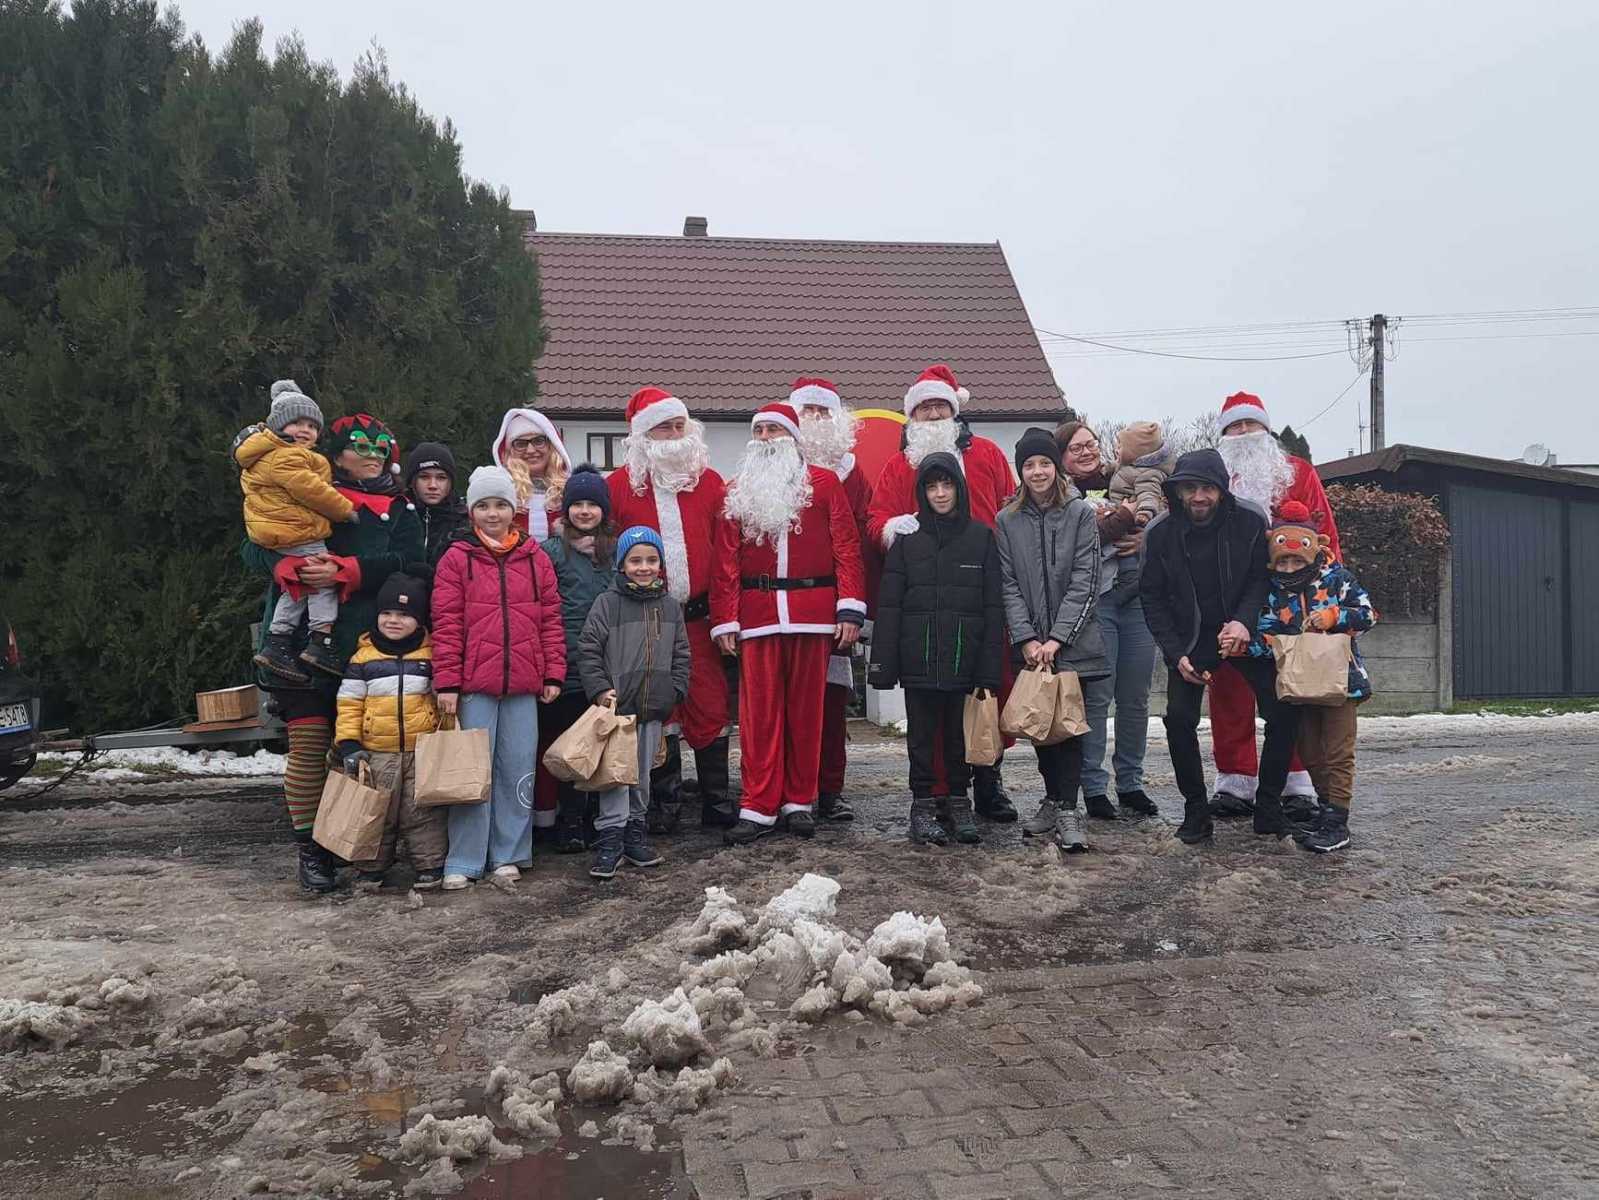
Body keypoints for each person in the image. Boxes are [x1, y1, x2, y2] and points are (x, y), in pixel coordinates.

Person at [240, 410, 422, 894]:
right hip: (300, 650)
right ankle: (311, 849)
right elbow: (254, 544)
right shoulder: (300, 483)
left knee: (360, 753)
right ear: (337, 453)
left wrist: (350, 570)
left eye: (381, 448)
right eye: (361, 446)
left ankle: (355, 841)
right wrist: (289, 566)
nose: (372, 455)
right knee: (308, 750)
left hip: (368, 649)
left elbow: (411, 564)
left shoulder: (401, 508)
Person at [866, 364, 1020, 822]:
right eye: (924, 407)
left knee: (989, 694)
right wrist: (899, 530)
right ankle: (936, 791)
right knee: (933, 705)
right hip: (926, 604)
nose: (932, 414)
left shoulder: (989, 455)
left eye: (940, 406)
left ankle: (989, 781)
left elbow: (1011, 513)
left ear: (954, 411)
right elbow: (876, 522)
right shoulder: (898, 466)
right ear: (912, 416)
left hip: (982, 594)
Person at [711, 403, 867, 845]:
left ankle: (799, 800)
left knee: (806, 711)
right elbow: (725, 562)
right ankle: (758, 804)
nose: (764, 437)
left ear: (793, 438)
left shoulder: (824, 484)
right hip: (757, 616)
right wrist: (725, 620)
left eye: (774, 430)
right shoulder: (737, 492)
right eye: (758, 430)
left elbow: (847, 548)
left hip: (811, 614)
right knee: (758, 716)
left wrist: (849, 608)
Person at [1141, 448, 1301, 844]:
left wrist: (1243, 622)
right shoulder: (1160, 533)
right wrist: (1175, 653)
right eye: (1190, 488)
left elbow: (1259, 579)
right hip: (1191, 639)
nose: (1199, 497)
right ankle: (1196, 810)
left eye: (1207, 488)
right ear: (1177, 492)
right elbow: (1153, 597)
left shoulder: (1250, 521)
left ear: (1222, 489)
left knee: (1283, 711)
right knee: (1178, 719)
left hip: (1245, 634)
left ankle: (1268, 806)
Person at [431, 466, 566, 890]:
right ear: (472, 512)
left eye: (501, 505)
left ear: (514, 509)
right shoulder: (457, 558)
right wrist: (447, 683)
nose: (493, 514)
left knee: (517, 769)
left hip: (524, 683)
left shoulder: (535, 558)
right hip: (474, 686)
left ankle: (509, 853)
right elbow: (447, 623)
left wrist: (552, 673)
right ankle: (466, 858)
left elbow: (551, 620)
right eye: (484, 506)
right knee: (473, 771)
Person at [1209, 391, 1342, 819]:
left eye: (1251, 425)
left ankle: (1295, 779)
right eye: (1235, 426)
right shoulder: (1212, 478)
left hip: (1292, 597)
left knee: (1294, 687)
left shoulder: (1298, 472)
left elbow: (1325, 533)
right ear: (1224, 433)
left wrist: (1326, 591)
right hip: (1230, 597)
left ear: (1266, 430)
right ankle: (1235, 779)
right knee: (1229, 688)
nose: (1244, 434)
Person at [607, 387, 734, 828]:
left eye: (681, 426)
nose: (675, 434)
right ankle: (667, 802)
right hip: (647, 619)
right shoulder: (619, 487)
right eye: (665, 426)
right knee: (659, 705)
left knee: (709, 703)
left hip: (701, 619)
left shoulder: (711, 482)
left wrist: (726, 616)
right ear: (644, 435)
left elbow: (726, 554)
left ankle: (717, 799)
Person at [868, 453, 1002, 846]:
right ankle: (923, 804)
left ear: (959, 488)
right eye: (931, 486)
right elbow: (889, 604)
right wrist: (882, 667)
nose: (940, 493)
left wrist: (989, 668)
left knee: (960, 734)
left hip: (966, 654)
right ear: (921, 491)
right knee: (922, 735)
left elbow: (993, 607)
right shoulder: (906, 540)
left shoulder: (981, 538)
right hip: (919, 655)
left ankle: (960, 803)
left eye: (947, 485)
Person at [995, 429, 1110, 852]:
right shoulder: (1006, 520)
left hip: (1072, 640)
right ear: (1021, 471)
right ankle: (1053, 799)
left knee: (1071, 725)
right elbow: (1007, 583)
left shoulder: (1080, 513)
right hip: (1031, 643)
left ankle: (1068, 809)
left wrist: (1058, 638)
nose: (1038, 471)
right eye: (1029, 465)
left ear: (1056, 467)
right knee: (1040, 724)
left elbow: (1086, 579)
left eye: (1044, 463)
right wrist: (1026, 637)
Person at [1247, 501, 1376, 853]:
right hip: (1299, 685)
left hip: (1342, 683)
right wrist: (1259, 643)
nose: (1290, 567)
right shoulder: (1273, 591)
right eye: (1282, 561)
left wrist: (1334, 617)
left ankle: (1338, 820)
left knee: (1338, 751)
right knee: (1309, 751)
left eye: (1296, 560)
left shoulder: (1338, 580)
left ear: (1312, 552)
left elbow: (1367, 614)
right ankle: (1325, 809)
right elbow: (1263, 633)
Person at [1056, 419, 1162, 821]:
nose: (1086, 452)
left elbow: (1161, 512)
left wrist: (1145, 532)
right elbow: (1074, 544)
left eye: (1091, 444)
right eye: (1076, 447)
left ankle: (1131, 782)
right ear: (1062, 457)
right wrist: (1117, 522)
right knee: (1097, 700)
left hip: (1136, 599)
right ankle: (1095, 787)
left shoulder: (1126, 476)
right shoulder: (1059, 494)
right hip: (1095, 603)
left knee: (1135, 698)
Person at [577, 526, 692, 879]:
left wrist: (674, 691)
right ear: (622, 564)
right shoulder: (607, 604)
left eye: (651, 560)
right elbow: (589, 649)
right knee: (615, 775)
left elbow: (681, 654)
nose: (643, 567)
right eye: (636, 560)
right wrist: (600, 690)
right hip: (617, 711)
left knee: (642, 775)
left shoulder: (670, 607)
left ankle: (635, 833)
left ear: (660, 564)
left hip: (653, 708)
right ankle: (610, 837)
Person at [236, 380, 359, 681]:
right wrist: (344, 511)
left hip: (284, 532)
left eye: (311, 425)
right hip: (298, 531)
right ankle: (321, 640)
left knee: (299, 585)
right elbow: (312, 490)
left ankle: (277, 641)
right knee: (322, 581)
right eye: (295, 423)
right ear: (278, 427)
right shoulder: (286, 456)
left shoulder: (266, 456)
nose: (304, 430)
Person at [332, 572, 447, 891]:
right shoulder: (363, 658)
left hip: (420, 748)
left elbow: (442, 704)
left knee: (421, 810)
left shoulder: (430, 655)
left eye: (404, 615)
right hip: (377, 751)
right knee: (377, 810)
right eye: (387, 613)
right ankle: (371, 867)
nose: (393, 621)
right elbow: (349, 703)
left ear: (419, 620)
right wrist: (349, 743)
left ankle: (429, 863)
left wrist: (446, 735)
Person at [793, 376, 875, 823]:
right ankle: (794, 788)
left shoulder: (851, 470)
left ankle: (830, 788)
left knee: (831, 698)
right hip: (791, 601)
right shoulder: (780, 464)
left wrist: (853, 603)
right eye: (809, 412)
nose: (817, 421)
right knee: (791, 701)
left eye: (824, 413)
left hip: (836, 600)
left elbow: (858, 538)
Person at [540, 465, 618, 853]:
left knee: (605, 743)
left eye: (592, 504)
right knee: (572, 743)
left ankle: (602, 818)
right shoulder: (551, 552)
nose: (585, 511)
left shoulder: (617, 551)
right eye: (577, 504)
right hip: (567, 660)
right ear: (566, 509)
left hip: (608, 662)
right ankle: (569, 819)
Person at [490, 407, 572, 541]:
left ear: (552, 446)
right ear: (510, 452)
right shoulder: (496, 494)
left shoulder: (571, 491)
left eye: (538, 441)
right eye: (521, 444)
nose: (531, 450)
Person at [403, 442, 470, 567]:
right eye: (424, 477)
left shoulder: (465, 522)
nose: (433, 485)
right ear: (412, 482)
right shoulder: (398, 515)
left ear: (451, 483)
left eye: (441, 478)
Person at [1106, 421, 1176, 526]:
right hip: (1121, 514)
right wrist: (1106, 467)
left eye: (1120, 447)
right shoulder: (1132, 465)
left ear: (1135, 452)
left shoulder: (1149, 474)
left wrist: (1144, 513)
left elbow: (1149, 495)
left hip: (1134, 519)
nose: (1116, 450)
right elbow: (1120, 468)